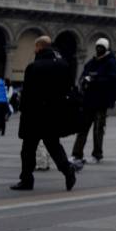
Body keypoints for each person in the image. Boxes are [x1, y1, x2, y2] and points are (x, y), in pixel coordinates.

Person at [11, 36, 77, 192]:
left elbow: (27, 94)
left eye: (35, 47)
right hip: (53, 113)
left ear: (39, 47)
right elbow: (68, 88)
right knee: (54, 146)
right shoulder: (63, 65)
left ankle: (26, 180)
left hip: (34, 114)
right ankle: (68, 171)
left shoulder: (34, 67)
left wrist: (23, 111)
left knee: (28, 148)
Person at [71, 37, 116, 167]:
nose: (98, 50)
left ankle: (97, 154)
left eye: (101, 48)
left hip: (101, 102)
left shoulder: (111, 62)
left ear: (106, 49)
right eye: (97, 47)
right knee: (82, 128)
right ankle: (77, 154)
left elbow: (112, 79)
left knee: (98, 129)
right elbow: (84, 74)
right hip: (88, 100)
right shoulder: (92, 62)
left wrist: (94, 79)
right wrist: (85, 80)